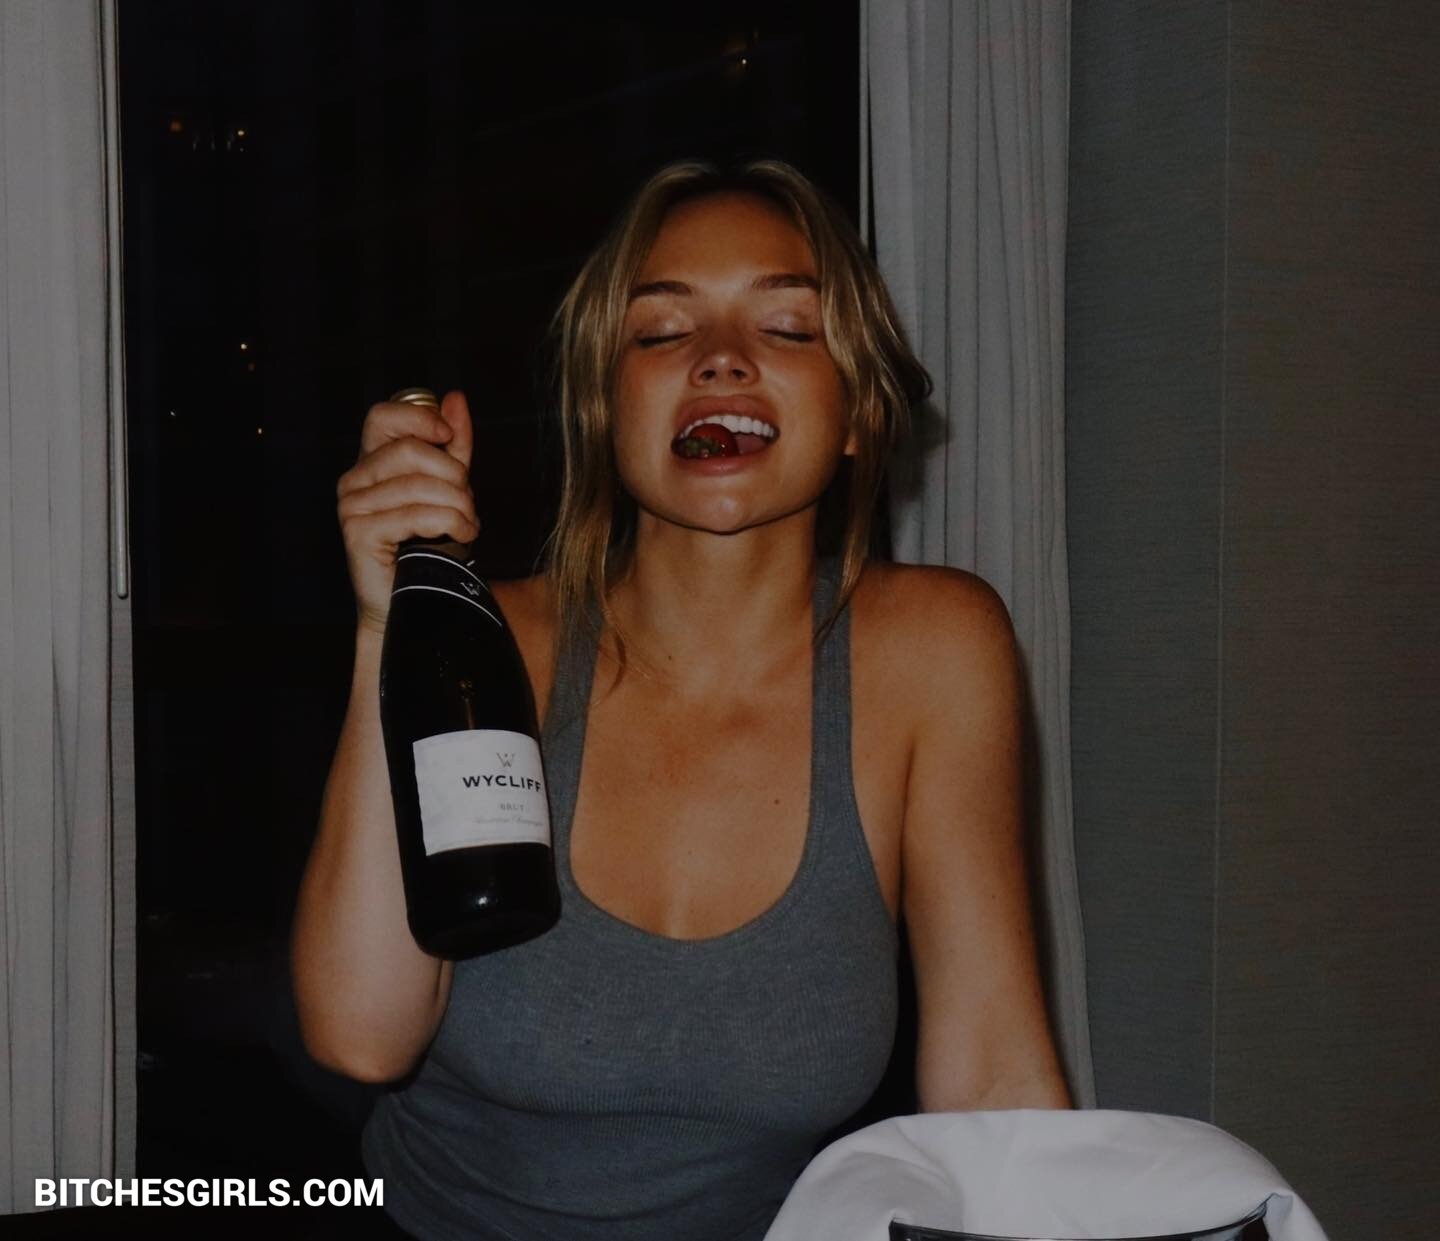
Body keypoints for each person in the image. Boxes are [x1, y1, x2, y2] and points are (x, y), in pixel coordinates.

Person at [291, 158, 1070, 1241]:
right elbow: (361, 1035)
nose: (721, 358)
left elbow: (995, 1079)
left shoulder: (936, 650)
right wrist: (391, 624)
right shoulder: (491, 644)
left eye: (787, 327)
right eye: (660, 333)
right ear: (605, 406)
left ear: (858, 408)